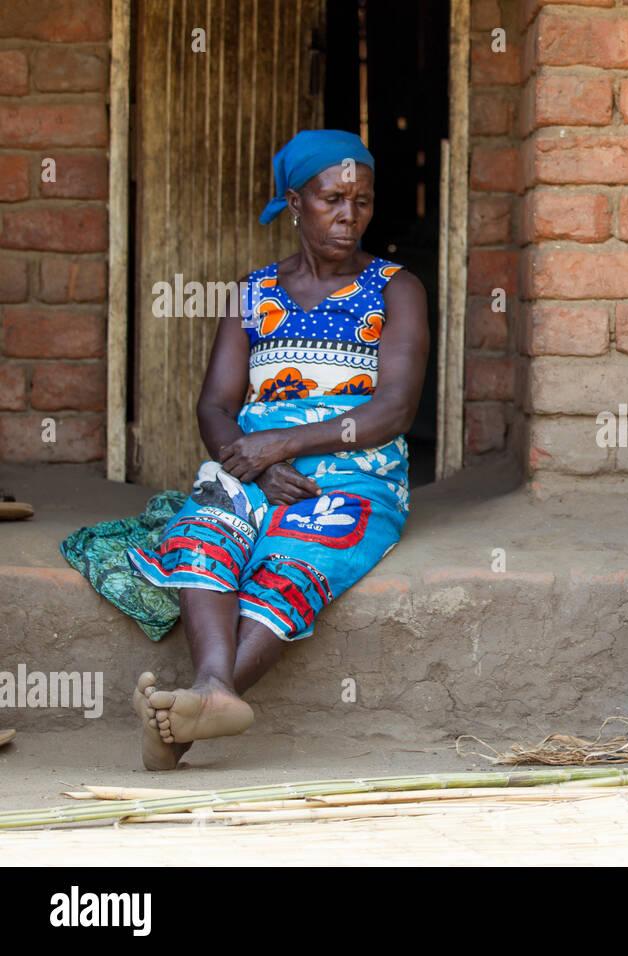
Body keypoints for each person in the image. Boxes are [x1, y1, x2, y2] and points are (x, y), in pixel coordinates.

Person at [126, 130, 429, 770]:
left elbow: (394, 410)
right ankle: (212, 686)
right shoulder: (253, 293)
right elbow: (214, 404)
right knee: (205, 527)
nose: (350, 216)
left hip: (353, 473)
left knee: (291, 558)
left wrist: (279, 445)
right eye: (332, 199)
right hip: (255, 466)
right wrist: (254, 465)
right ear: (295, 202)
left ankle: (187, 719)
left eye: (363, 201)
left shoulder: (396, 288)